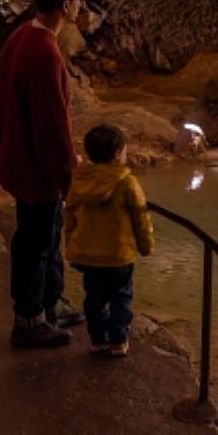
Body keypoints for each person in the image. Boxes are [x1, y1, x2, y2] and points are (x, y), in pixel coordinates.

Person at [0, 0, 87, 348]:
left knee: (45, 236)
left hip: (18, 158)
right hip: (37, 170)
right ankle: (29, 319)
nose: (80, 5)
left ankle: (49, 303)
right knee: (36, 242)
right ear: (66, 5)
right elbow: (52, 125)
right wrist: (67, 175)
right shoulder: (45, 52)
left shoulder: (19, 37)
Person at [64, 124, 154, 357]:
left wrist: (71, 248)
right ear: (117, 154)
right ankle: (117, 340)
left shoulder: (79, 181)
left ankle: (97, 339)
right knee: (121, 297)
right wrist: (146, 246)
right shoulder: (126, 183)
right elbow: (141, 217)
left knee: (93, 298)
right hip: (118, 254)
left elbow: (70, 215)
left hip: (88, 255)